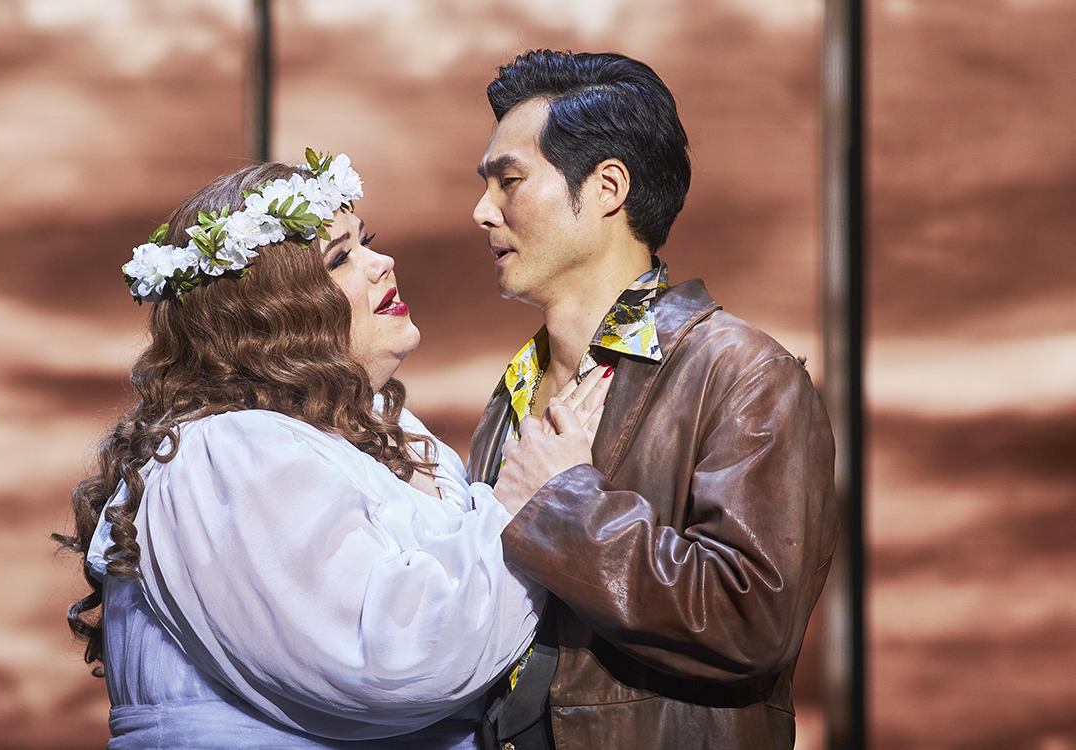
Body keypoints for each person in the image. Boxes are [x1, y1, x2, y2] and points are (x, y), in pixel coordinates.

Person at [55, 153, 610, 749]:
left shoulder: (389, 435)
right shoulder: (230, 453)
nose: (382, 263)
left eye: (365, 242)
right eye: (342, 258)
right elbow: (389, 656)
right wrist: (525, 501)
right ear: (271, 317)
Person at [468, 50, 839, 750]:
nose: (483, 210)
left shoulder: (742, 373)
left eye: (508, 181)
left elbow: (749, 616)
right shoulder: (515, 386)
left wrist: (566, 501)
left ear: (607, 186)